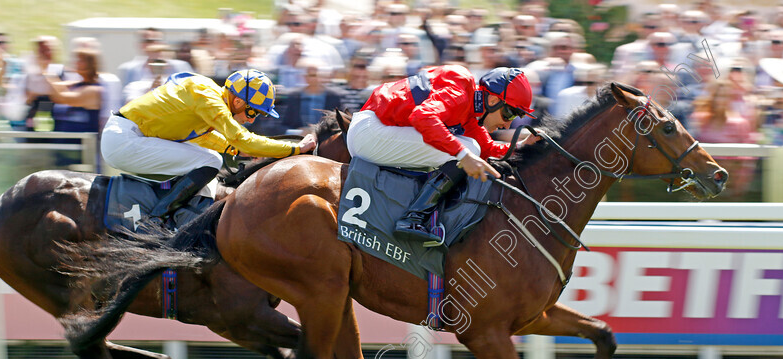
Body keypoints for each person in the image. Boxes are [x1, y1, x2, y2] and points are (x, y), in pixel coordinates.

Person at [347, 65, 538, 244]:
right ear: (494, 100)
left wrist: (522, 146)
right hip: (370, 132)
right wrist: (463, 155)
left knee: (471, 148)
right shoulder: (461, 91)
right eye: (509, 114)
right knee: (468, 149)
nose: (507, 125)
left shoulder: (468, 111)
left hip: (374, 131)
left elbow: (488, 149)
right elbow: (423, 116)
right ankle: (413, 218)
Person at [101, 69, 317, 219]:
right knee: (210, 160)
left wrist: (239, 150)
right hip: (124, 140)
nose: (252, 120)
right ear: (239, 101)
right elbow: (240, 138)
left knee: (208, 157)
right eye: (253, 112)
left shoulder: (209, 96)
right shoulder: (209, 97)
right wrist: (295, 148)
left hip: (128, 136)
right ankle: (158, 218)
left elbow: (203, 137)